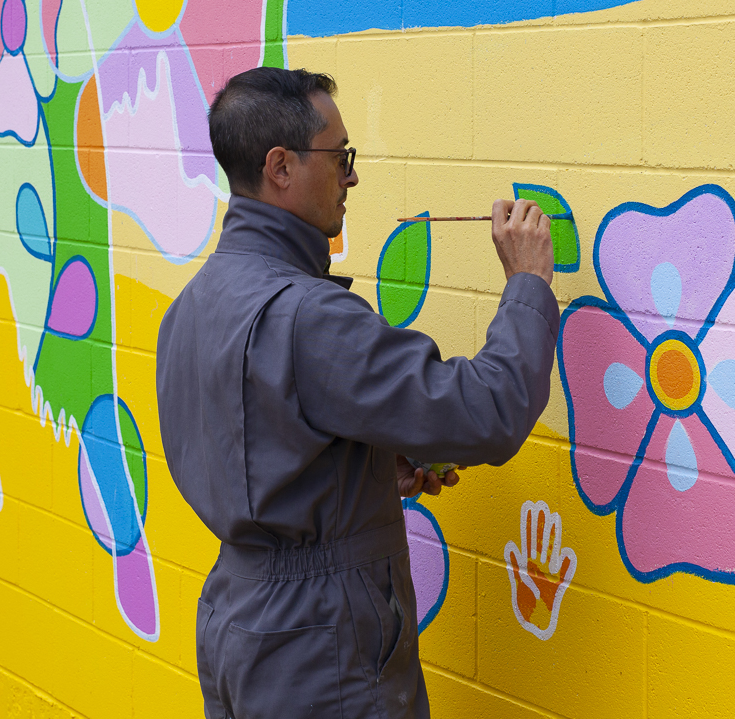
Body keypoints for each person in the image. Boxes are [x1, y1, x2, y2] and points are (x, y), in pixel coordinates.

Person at [156, 67, 558, 719]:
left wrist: (358, 471)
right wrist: (528, 286)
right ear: (281, 167)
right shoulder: (309, 318)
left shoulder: (192, 307)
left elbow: (257, 445)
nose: (352, 176)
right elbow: (490, 411)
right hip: (321, 649)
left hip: (238, 620)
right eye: (339, 156)